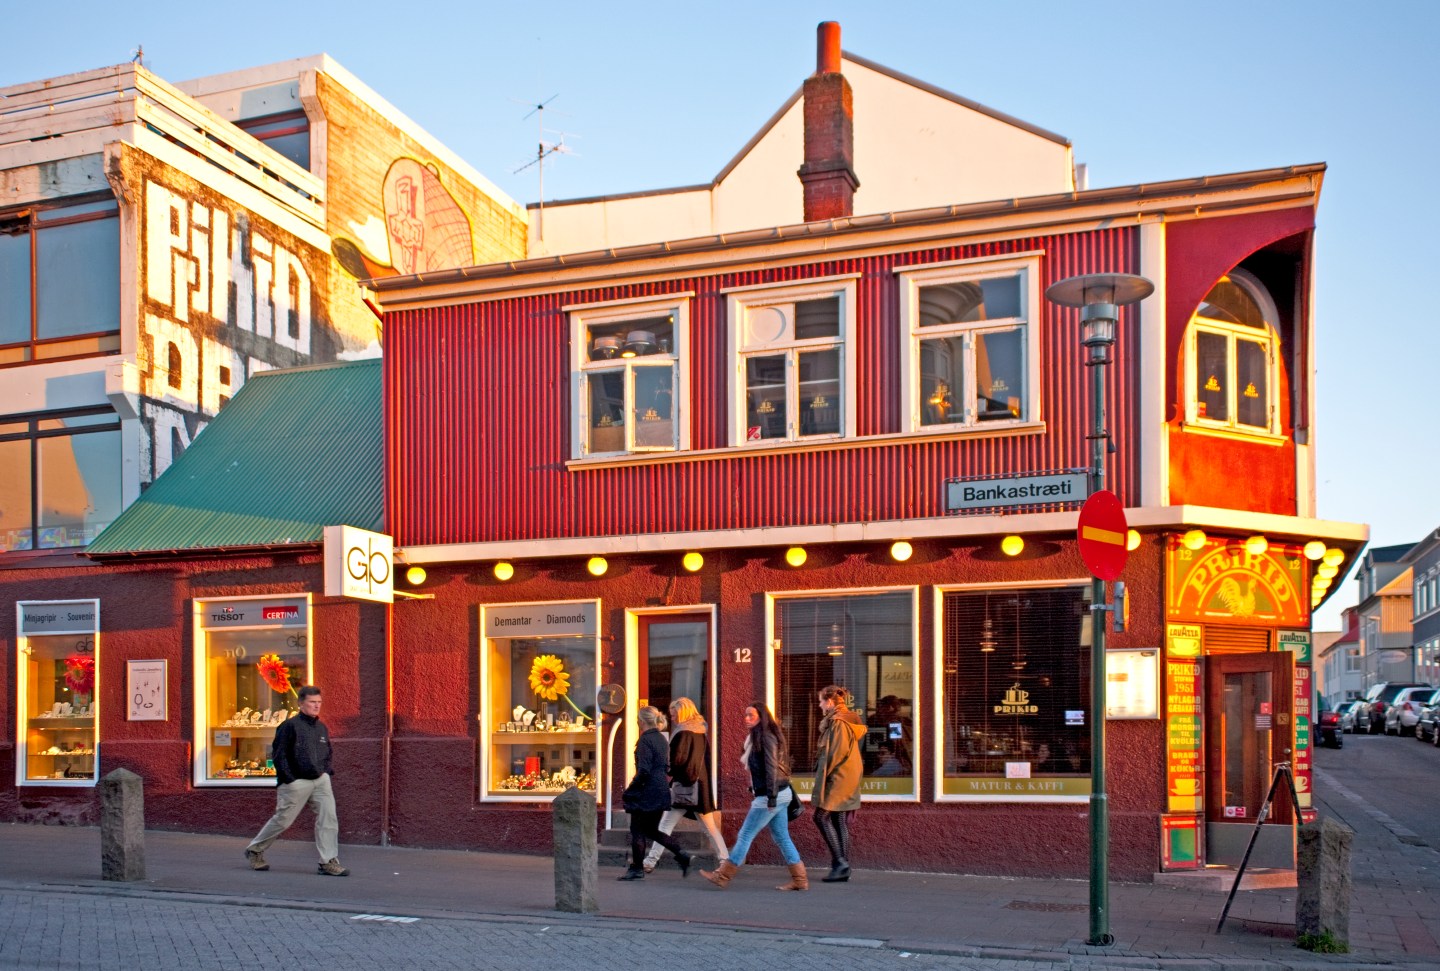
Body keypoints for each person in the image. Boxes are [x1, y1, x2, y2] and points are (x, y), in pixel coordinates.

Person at [700, 702, 807, 892]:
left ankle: (722, 876)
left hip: (771, 795)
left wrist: (771, 797)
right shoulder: (759, 736)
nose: (746, 718)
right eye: (746, 715)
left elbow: (771, 768)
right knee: (782, 837)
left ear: (761, 716)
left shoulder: (766, 737)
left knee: (745, 834)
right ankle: (800, 880)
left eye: (751, 715)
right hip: (779, 793)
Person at [243, 685, 348, 876]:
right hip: (296, 782)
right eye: (312, 702)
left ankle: (328, 861)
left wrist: (325, 771)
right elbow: (279, 754)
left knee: (328, 819)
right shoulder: (289, 726)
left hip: (320, 781)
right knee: (283, 820)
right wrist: (289, 779)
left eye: (319, 702)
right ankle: (255, 850)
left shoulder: (321, 728)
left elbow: (327, 751)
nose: (317, 706)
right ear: (301, 704)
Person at [642, 697, 727, 873]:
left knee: (665, 825)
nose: (672, 718)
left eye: (674, 715)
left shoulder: (682, 733)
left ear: (682, 713)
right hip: (700, 788)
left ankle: (650, 862)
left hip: (684, 788)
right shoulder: (700, 731)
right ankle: (726, 861)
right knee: (709, 827)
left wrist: (666, 769)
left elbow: (676, 761)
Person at [618, 705, 692, 880]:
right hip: (660, 788)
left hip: (646, 790)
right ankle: (681, 854)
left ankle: (636, 868)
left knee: (637, 830)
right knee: (651, 830)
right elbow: (667, 766)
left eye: (638, 719)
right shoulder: (661, 739)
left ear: (642, 721)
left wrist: (632, 789)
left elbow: (644, 769)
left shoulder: (645, 740)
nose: (637, 722)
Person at [812, 684, 865, 883]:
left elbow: (836, 752)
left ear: (830, 702)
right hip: (846, 773)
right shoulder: (845, 719)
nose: (819, 705)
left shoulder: (839, 722)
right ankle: (842, 865)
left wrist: (824, 779)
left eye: (821, 701)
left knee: (820, 816)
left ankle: (840, 862)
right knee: (838, 819)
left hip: (839, 775)